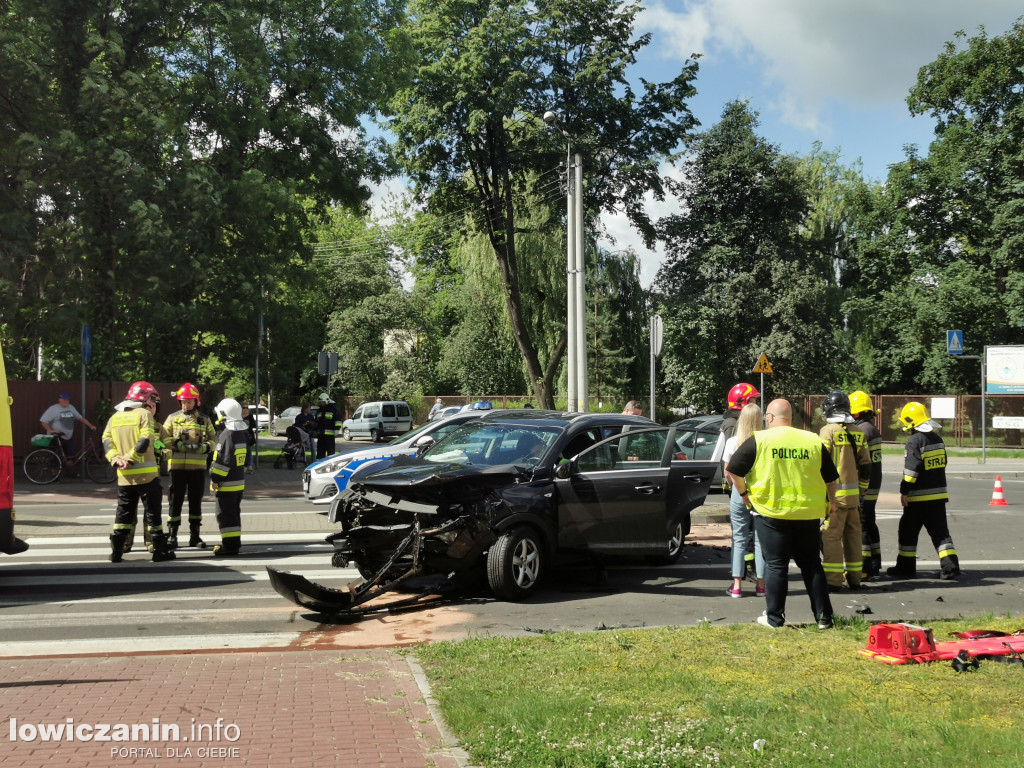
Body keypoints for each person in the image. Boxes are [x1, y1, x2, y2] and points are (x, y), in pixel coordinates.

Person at [725, 399, 838, 629]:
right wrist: (832, 502)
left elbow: (732, 470)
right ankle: (824, 618)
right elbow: (831, 478)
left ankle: (775, 618)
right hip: (807, 513)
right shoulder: (812, 440)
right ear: (791, 418)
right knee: (812, 565)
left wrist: (745, 494)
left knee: (777, 566)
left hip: (771, 513)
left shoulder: (760, 439)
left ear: (770, 417)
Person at [101, 381, 175, 563]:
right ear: (145, 397)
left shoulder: (115, 417)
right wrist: (130, 458)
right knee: (153, 513)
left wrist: (116, 459)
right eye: (152, 399)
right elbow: (145, 440)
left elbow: (106, 442)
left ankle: (117, 551)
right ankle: (159, 551)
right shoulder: (144, 415)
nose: (153, 404)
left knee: (123, 514)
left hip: (124, 476)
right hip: (147, 476)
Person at [888, 402, 961, 580]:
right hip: (938, 496)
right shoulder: (937, 439)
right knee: (941, 533)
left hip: (918, 499)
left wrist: (904, 490)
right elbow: (943, 462)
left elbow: (911, 471)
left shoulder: (915, 441)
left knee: (907, 531)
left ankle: (905, 568)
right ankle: (950, 567)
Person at [818, 391, 872, 592]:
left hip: (834, 499)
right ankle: (855, 578)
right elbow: (866, 466)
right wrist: (862, 492)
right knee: (853, 537)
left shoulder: (827, 431)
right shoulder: (859, 432)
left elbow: (822, 462)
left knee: (831, 537)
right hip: (854, 498)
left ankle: (833, 580)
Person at [163, 382, 216, 549]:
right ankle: (172, 536)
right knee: (175, 502)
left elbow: (214, 439)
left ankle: (195, 536)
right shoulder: (172, 418)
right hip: (177, 469)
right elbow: (162, 438)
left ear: (196, 402)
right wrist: (175, 443)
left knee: (195, 502)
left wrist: (206, 447)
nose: (186, 404)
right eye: (184, 401)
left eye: (190, 401)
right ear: (180, 402)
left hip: (198, 469)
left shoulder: (205, 419)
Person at [721, 402, 766, 598]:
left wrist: (736, 489)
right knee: (760, 540)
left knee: (738, 539)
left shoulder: (733, 442)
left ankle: (737, 585)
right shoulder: (765, 440)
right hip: (761, 495)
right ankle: (761, 586)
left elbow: (727, 471)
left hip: (740, 495)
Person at [718, 382, 761, 573]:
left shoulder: (731, 422)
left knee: (744, 530)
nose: (755, 402)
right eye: (752, 399)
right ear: (743, 402)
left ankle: (743, 569)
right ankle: (748, 566)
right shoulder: (734, 425)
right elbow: (732, 462)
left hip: (737, 483)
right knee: (747, 530)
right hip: (740, 484)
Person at [849, 390, 883, 580]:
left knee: (861, 525)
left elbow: (858, 461)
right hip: (874, 483)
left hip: (865, 485)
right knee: (870, 523)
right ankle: (875, 563)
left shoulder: (862, 431)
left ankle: (864, 567)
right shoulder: (871, 428)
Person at [209, 398, 250, 556]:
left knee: (225, 516)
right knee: (233, 515)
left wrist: (214, 477)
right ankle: (234, 543)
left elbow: (222, 462)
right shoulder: (240, 433)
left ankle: (230, 547)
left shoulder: (227, 435)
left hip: (226, 485)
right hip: (238, 484)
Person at [39, 392, 97, 458]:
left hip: (68, 436)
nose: (66, 401)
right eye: (64, 399)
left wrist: (90, 426)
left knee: (71, 455)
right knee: (56, 457)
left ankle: (68, 467)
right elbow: (43, 421)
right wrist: (50, 430)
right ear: (59, 400)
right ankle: (54, 468)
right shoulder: (53, 409)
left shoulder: (71, 407)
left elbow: (80, 418)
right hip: (57, 436)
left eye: (67, 400)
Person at [315, 393, 340, 459]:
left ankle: (331, 466)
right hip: (321, 435)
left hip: (330, 436)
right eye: (320, 402)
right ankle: (320, 466)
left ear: (326, 401)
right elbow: (317, 421)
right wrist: (315, 429)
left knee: (330, 453)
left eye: (321, 402)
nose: (320, 403)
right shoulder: (319, 410)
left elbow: (338, 420)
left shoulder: (333, 410)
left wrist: (337, 429)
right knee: (320, 452)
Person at [241, 404, 257, 473]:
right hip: (240, 436)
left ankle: (250, 467)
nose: (245, 409)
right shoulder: (238, 416)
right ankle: (243, 466)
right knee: (242, 452)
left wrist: (248, 417)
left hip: (249, 436)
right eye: (243, 407)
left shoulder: (250, 416)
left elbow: (254, 425)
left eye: (247, 408)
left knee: (249, 451)